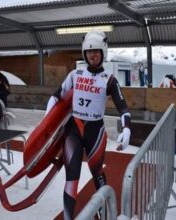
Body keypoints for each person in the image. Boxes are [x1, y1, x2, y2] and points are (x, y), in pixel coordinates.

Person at [45, 31, 131, 220]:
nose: (93, 55)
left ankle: (104, 212)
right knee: (72, 177)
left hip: (95, 132)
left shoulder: (109, 79)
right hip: (73, 131)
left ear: (103, 53)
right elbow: (56, 95)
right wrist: (47, 122)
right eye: (90, 52)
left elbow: (123, 107)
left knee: (97, 173)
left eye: (97, 52)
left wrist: (127, 128)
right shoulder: (75, 74)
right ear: (84, 53)